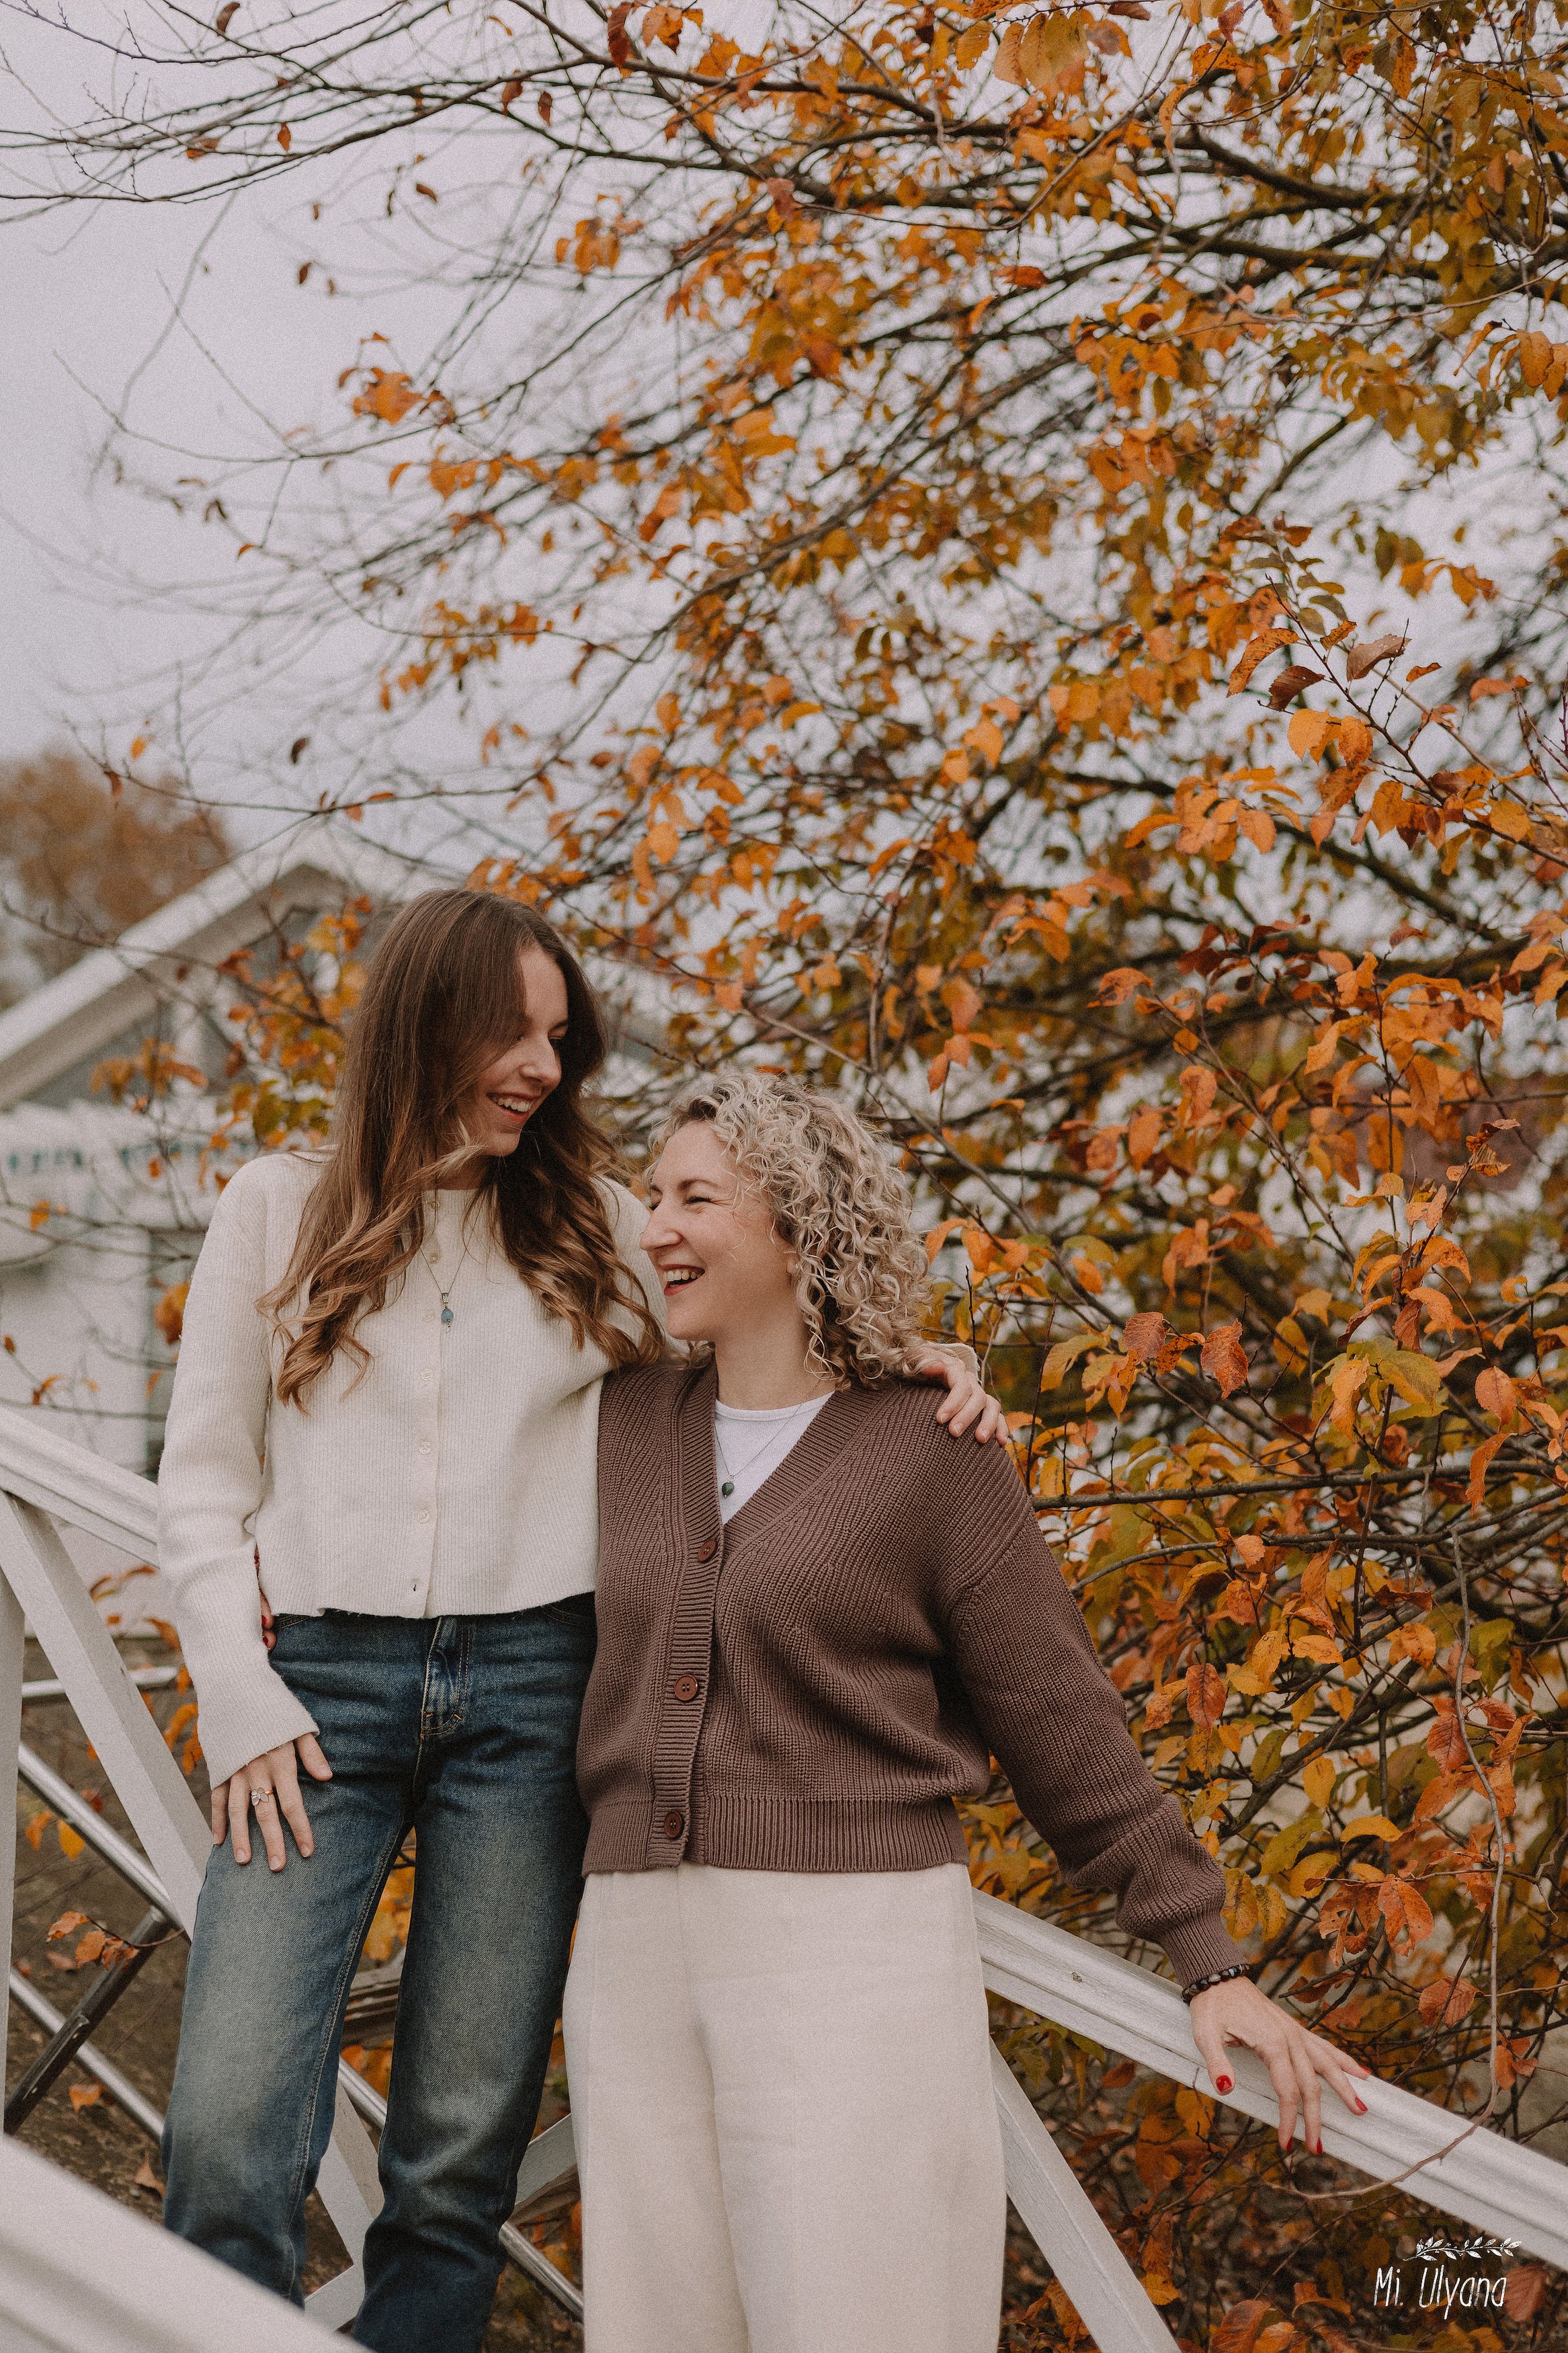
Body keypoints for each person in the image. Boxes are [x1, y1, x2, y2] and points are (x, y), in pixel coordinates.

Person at [154, 887, 995, 2352]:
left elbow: (760, 1337)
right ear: (424, 1021)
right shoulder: (276, 1208)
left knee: (458, 2150)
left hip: (540, 1695)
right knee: (227, 2125)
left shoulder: (596, 1225)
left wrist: (908, 1363)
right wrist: (233, 1682)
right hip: (314, 1697)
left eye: (560, 1038)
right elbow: (204, 1483)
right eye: (514, 1033)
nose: (543, 1068)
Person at [565, 1071, 1372, 2353]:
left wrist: (1208, 1957)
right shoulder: (614, 1424)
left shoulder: (932, 1448)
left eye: (695, 1199)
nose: (653, 1225)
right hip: (632, 1948)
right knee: (657, 2323)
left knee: (857, 2313)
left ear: (800, 1227)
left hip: (849, 1950)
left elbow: (1058, 1719)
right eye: (651, 1195)